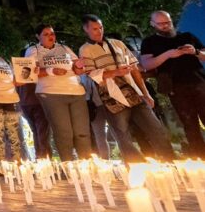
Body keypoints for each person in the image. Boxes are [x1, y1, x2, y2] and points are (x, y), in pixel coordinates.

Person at [78, 14, 174, 162]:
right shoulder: (85, 49)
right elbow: (92, 74)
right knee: (123, 135)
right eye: (95, 29)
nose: (99, 31)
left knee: (156, 129)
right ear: (86, 29)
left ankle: (170, 162)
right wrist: (116, 72)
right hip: (112, 97)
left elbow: (135, 69)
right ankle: (137, 167)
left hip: (133, 92)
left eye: (101, 27)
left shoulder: (118, 44)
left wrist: (145, 93)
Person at [140, 10, 205, 156]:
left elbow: (204, 55)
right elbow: (146, 64)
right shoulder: (149, 42)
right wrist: (168, 54)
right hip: (175, 87)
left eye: (167, 22)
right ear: (153, 24)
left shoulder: (187, 36)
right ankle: (201, 159)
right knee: (190, 126)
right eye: (161, 24)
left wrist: (195, 52)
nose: (165, 26)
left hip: (199, 82)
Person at [25, 25, 91, 161]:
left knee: (82, 131)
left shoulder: (65, 48)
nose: (51, 36)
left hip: (76, 91)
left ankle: (86, 164)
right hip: (51, 93)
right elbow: (28, 73)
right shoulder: (33, 50)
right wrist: (51, 71)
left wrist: (79, 66)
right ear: (38, 37)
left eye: (52, 33)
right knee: (64, 132)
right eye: (46, 34)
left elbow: (78, 70)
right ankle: (69, 165)